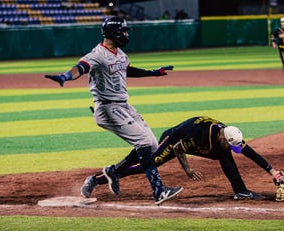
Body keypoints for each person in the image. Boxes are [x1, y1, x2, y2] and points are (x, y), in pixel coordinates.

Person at [44, 16, 182, 205]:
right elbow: (81, 67)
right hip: (107, 108)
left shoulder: (120, 54)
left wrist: (153, 72)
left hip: (124, 106)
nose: (126, 34)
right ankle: (158, 191)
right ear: (113, 33)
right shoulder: (97, 54)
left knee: (151, 145)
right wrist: (65, 76)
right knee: (142, 142)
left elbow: (127, 70)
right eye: (123, 31)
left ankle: (112, 172)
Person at [81, 116, 284, 201]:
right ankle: (102, 177)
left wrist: (273, 171)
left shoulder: (229, 136)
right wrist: (187, 170)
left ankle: (240, 191)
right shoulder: (202, 134)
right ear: (222, 138)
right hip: (174, 140)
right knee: (149, 166)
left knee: (226, 156)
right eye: (231, 145)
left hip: (196, 145)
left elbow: (250, 153)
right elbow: (179, 149)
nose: (234, 148)